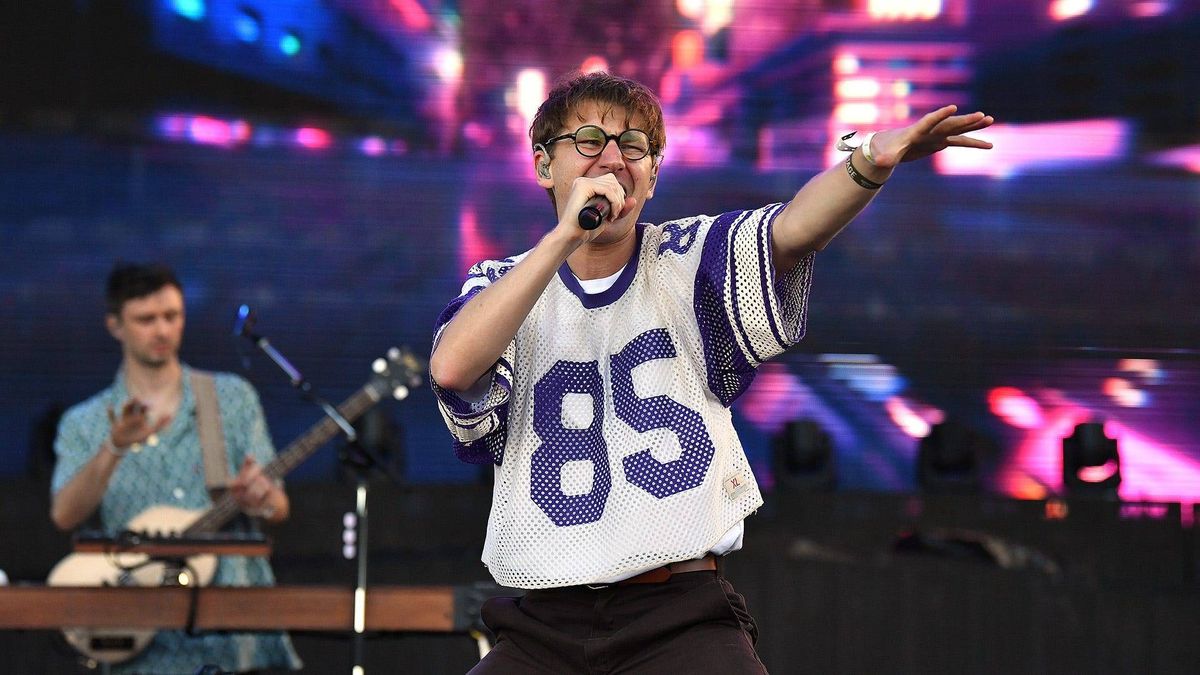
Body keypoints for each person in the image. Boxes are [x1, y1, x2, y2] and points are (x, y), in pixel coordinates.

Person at [428, 71, 993, 673]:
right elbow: (453, 368)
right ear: (545, 165)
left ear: (652, 176)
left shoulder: (689, 258)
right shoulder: (502, 284)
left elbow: (794, 228)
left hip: (676, 613)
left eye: (635, 146)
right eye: (590, 141)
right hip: (543, 623)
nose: (613, 160)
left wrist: (870, 163)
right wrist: (566, 236)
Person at [50, 262, 302, 674]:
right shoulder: (86, 421)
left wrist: (262, 497)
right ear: (115, 325)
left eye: (172, 316)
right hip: (135, 623)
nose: (163, 330)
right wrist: (114, 446)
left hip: (228, 623)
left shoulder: (230, 397)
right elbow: (64, 515)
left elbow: (279, 508)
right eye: (146, 319)